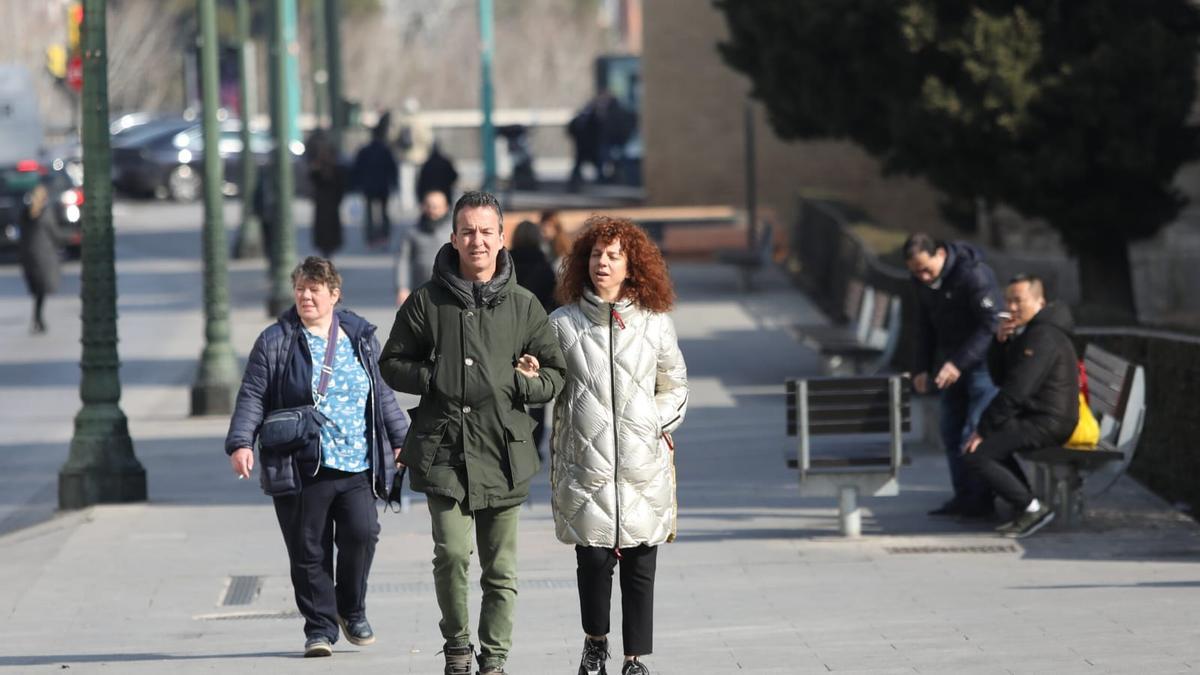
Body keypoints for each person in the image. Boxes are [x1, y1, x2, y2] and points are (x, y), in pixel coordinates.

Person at [378, 191, 566, 675]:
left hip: (504, 451)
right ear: (453, 237)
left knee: (500, 569)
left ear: (501, 238)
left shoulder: (524, 305)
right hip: (444, 448)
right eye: (467, 231)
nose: (476, 241)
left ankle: (495, 658)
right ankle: (458, 647)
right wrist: (433, 378)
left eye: (486, 231)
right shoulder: (426, 301)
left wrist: (529, 383)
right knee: (451, 554)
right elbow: (392, 363)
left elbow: (556, 374)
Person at [225, 257, 408, 658]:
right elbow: (253, 395)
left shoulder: (358, 336)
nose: (306, 296)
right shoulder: (276, 340)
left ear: (334, 294)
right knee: (309, 550)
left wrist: (401, 439)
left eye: (315, 289)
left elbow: (381, 394)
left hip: (357, 459)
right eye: (301, 289)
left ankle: (351, 608)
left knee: (363, 533)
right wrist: (241, 443)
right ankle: (320, 627)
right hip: (302, 462)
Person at [549, 216, 689, 675]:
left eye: (613, 256)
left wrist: (653, 419)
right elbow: (548, 384)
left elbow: (676, 385)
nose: (602, 264)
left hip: (641, 464)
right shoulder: (563, 324)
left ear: (632, 266)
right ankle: (595, 642)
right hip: (585, 465)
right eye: (595, 255)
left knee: (640, 563)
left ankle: (635, 660)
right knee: (591, 559)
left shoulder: (654, 323)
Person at [964, 275, 1079, 538]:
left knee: (978, 454)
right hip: (1037, 415)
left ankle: (1032, 508)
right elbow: (1002, 379)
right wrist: (1000, 344)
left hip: (1050, 421)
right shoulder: (1031, 332)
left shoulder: (1043, 336)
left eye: (1019, 301)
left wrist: (983, 429)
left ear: (1040, 302)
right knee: (984, 447)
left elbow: (1016, 391)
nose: (1011, 307)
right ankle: (1028, 506)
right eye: (1008, 300)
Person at [905, 233, 1004, 518]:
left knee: (972, 434)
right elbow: (924, 325)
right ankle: (964, 498)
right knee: (949, 430)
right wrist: (921, 367)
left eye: (926, 269)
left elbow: (992, 323)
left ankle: (982, 501)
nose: (922, 276)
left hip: (983, 364)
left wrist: (959, 363)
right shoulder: (921, 281)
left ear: (940, 255)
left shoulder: (973, 274)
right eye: (915, 272)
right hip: (952, 365)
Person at [508, 220, 558, 458]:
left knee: (509, 387)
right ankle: (534, 444)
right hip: (537, 334)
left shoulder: (504, 266)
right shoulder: (545, 266)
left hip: (508, 332)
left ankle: (513, 440)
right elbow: (555, 301)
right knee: (537, 390)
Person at [19, 181, 65, 334]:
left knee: (37, 289)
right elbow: (54, 233)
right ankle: (38, 318)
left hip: (28, 256)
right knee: (42, 289)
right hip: (43, 256)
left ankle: (38, 319)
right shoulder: (46, 213)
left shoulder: (25, 213)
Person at [394, 189, 453, 306]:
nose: (432, 210)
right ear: (423, 206)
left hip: (449, 289)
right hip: (420, 289)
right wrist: (402, 287)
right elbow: (402, 260)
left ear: (446, 207)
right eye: (429, 206)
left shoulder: (453, 231)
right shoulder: (412, 232)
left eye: (436, 206)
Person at [353, 114, 399, 248]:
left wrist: (357, 184)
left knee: (369, 213)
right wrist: (394, 183)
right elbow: (392, 168)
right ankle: (385, 235)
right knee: (384, 212)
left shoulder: (364, 151)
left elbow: (357, 169)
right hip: (383, 186)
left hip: (368, 186)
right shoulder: (385, 150)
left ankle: (370, 237)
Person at [306, 129, 346, 257]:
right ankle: (325, 248)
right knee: (323, 227)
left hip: (330, 201)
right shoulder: (318, 166)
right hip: (323, 201)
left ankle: (330, 248)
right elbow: (313, 178)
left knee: (330, 227)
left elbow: (340, 183)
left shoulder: (335, 167)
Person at [395, 97, 434, 214]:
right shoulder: (422, 121)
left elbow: (393, 137)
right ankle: (420, 202)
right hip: (420, 157)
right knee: (420, 182)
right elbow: (428, 139)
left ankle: (407, 204)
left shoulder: (401, 121)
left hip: (405, 156)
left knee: (405, 182)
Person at [416, 142, 459, 207]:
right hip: (444, 191)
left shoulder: (427, 163)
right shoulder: (445, 161)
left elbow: (421, 181)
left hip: (431, 193)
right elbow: (454, 176)